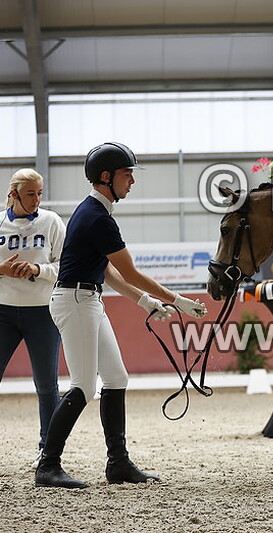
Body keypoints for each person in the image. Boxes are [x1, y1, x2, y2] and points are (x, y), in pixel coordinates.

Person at [36, 142, 208, 489]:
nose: (132, 181)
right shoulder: (97, 217)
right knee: (83, 386)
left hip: (87, 298)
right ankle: (47, 465)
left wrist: (144, 301)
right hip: (76, 301)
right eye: (127, 174)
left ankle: (118, 464)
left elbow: (109, 272)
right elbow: (130, 272)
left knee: (116, 378)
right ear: (106, 177)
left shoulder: (95, 212)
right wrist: (178, 300)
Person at [0, 168, 66, 466]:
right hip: (2, 311)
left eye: (40, 193)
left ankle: (48, 451)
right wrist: (2, 269)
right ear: (13, 194)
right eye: (30, 194)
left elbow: (66, 265)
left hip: (42, 312)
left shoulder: (51, 221)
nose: (37, 199)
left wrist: (38, 270)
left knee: (46, 385)